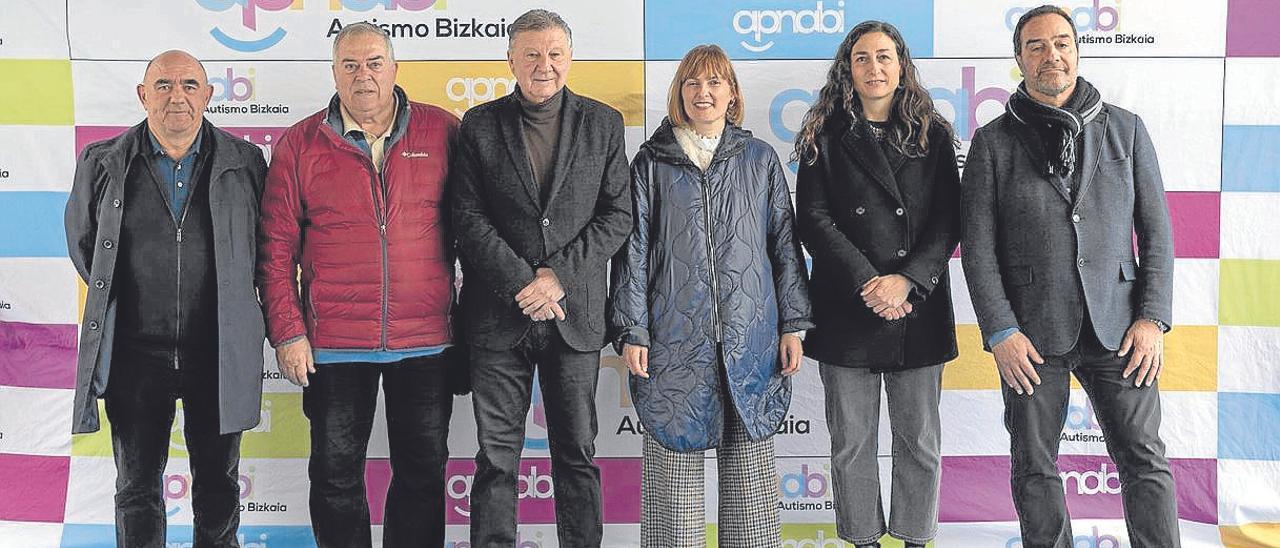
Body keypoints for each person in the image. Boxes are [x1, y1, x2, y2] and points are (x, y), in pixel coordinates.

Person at [961, 6, 1179, 547]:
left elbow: (1157, 233)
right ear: (1019, 59)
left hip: (1121, 329)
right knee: (1034, 466)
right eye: (1036, 46)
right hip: (1032, 337)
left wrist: (1152, 317)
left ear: (1077, 51)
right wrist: (1001, 332)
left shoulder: (1126, 129)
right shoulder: (992, 143)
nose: (1050, 55)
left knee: (1144, 460)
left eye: (1061, 43)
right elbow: (978, 250)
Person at [256, 22, 460, 547]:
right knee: (335, 477)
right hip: (333, 347)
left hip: (426, 343)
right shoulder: (300, 144)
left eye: (373, 63)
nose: (363, 76)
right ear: (334, 73)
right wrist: (287, 333)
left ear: (394, 69)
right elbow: (275, 249)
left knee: (421, 474)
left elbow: (475, 231)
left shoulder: (443, 132)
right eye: (350, 65)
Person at [610, 44, 813, 548]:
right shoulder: (650, 163)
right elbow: (632, 251)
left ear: (732, 93)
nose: (704, 93)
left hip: (752, 341)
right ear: (679, 92)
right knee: (673, 496)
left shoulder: (759, 159)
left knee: (750, 490)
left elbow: (784, 246)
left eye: (715, 83)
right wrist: (632, 329)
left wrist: (792, 324)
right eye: (693, 83)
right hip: (673, 344)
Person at [65, 49, 267, 547]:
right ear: (142, 95)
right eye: (163, 85)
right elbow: (84, 242)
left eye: (189, 85)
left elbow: (265, 245)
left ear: (208, 95)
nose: (177, 96)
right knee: (136, 488)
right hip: (134, 356)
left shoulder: (245, 162)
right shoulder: (103, 161)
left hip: (216, 353)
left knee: (219, 486)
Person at [448, 9, 631, 547]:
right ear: (509, 60)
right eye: (530, 54)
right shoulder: (478, 125)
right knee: (496, 459)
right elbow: (466, 217)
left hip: (574, 318)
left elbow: (617, 215)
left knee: (576, 454)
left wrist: (558, 279)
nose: (543, 65)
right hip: (497, 317)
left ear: (570, 58)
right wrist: (524, 283)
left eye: (554, 54)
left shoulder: (604, 123)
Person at [792, 21, 960, 548]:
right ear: (848, 68)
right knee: (851, 443)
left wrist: (906, 281)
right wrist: (870, 281)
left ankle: (915, 537)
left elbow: (949, 219)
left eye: (884, 56)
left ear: (901, 63)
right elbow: (813, 220)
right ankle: (861, 539)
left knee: (920, 441)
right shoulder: (823, 134)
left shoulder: (934, 133)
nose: (874, 67)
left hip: (917, 305)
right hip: (849, 305)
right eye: (862, 58)